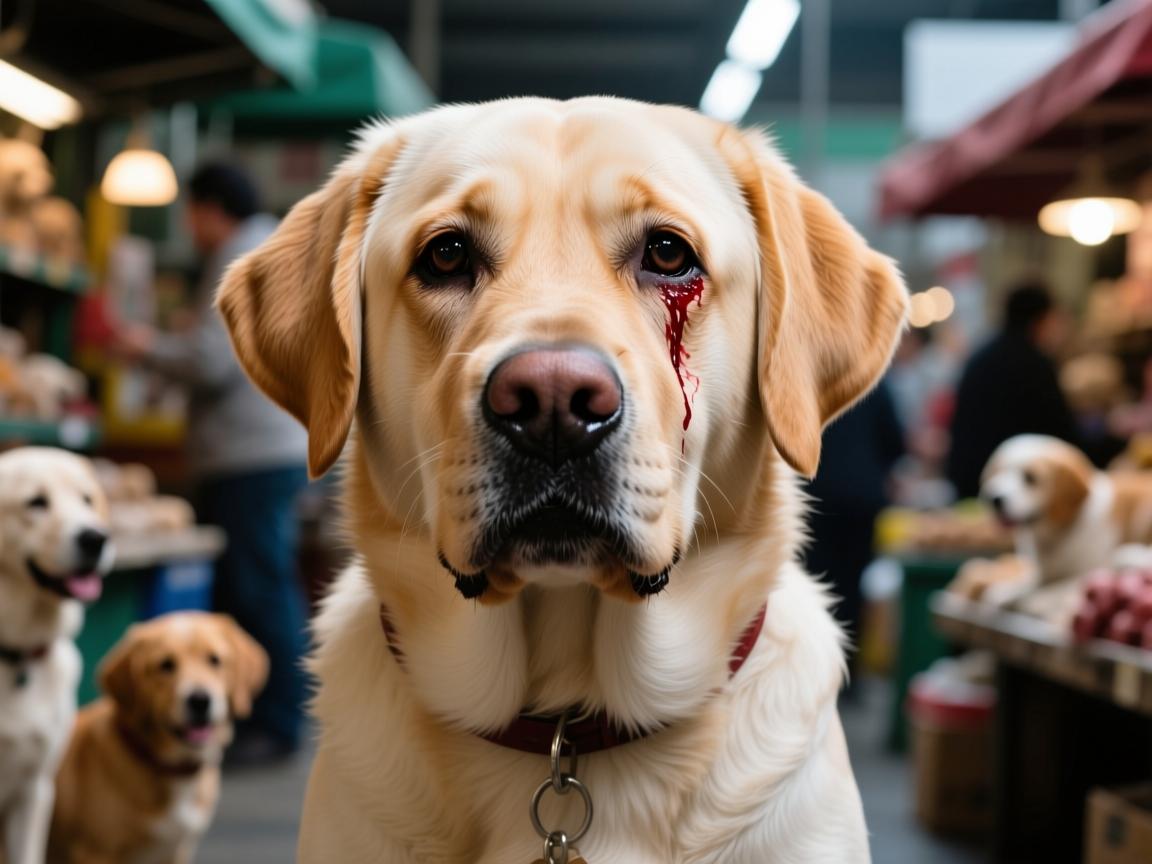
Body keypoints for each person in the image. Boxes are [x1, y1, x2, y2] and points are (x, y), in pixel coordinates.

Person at [113, 163, 309, 764]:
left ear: (209, 208)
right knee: (256, 583)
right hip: (264, 451)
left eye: (190, 212)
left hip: (251, 455)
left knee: (257, 586)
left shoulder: (240, 256)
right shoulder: (263, 250)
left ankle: (276, 723)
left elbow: (213, 363)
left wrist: (143, 344)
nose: (188, 226)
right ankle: (266, 716)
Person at [804, 379, 905, 683]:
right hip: (862, 499)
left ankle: (815, 666)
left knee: (816, 582)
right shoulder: (871, 380)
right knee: (853, 584)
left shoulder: (813, 383)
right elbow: (895, 441)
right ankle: (847, 672)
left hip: (817, 496)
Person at [946, 281, 1078, 499]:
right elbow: (1061, 435)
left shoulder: (980, 356)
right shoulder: (1035, 364)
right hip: (1011, 490)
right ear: (1040, 320)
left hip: (968, 480)